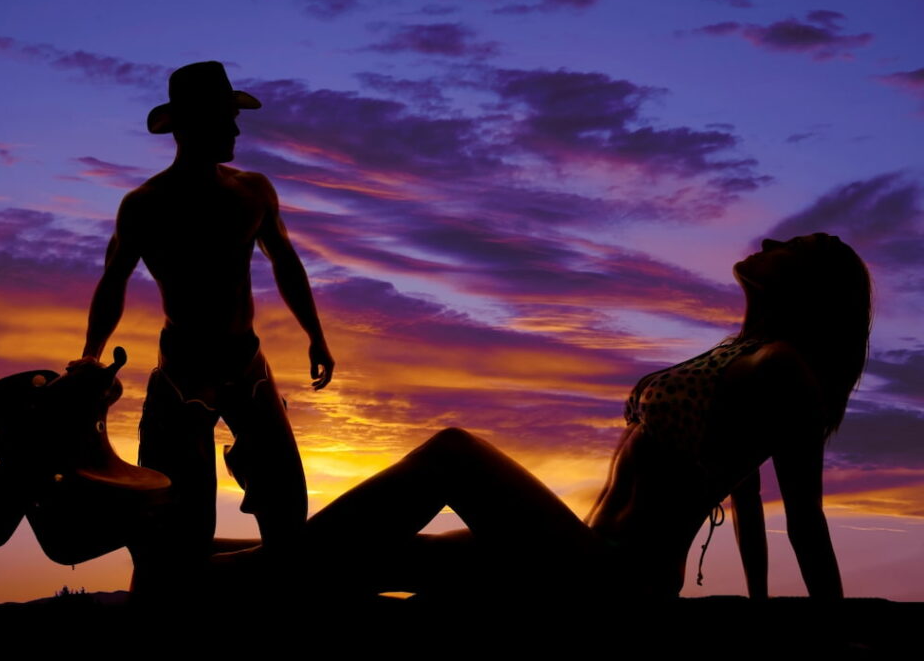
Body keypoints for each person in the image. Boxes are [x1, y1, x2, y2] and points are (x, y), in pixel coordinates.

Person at [210, 233, 870, 601]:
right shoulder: (741, 354)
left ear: (810, 284)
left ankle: (237, 582)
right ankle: (219, 569)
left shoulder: (781, 369)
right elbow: (745, 495)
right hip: (583, 552)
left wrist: (831, 640)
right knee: (390, 556)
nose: (774, 237)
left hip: (615, 578)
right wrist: (755, 605)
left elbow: (806, 524)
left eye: (796, 245)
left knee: (454, 453)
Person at [74, 62, 335, 581]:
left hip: (249, 367)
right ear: (191, 127)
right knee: (181, 525)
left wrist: (316, 336)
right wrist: (91, 355)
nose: (237, 130)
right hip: (181, 374)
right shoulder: (146, 205)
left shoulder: (253, 191)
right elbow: (113, 281)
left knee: (287, 506)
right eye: (226, 119)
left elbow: (286, 263)